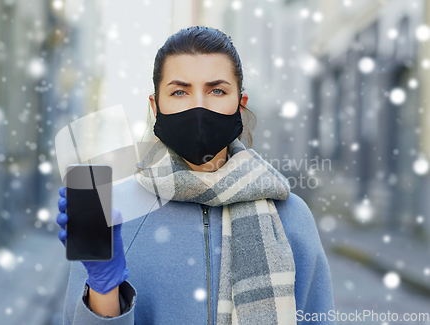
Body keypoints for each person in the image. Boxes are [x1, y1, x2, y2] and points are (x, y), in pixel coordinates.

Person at [56, 26, 336, 324]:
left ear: (240, 106)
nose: (198, 107)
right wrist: (105, 289)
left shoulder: (291, 218)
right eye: (180, 91)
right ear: (156, 106)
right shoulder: (114, 212)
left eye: (217, 90)